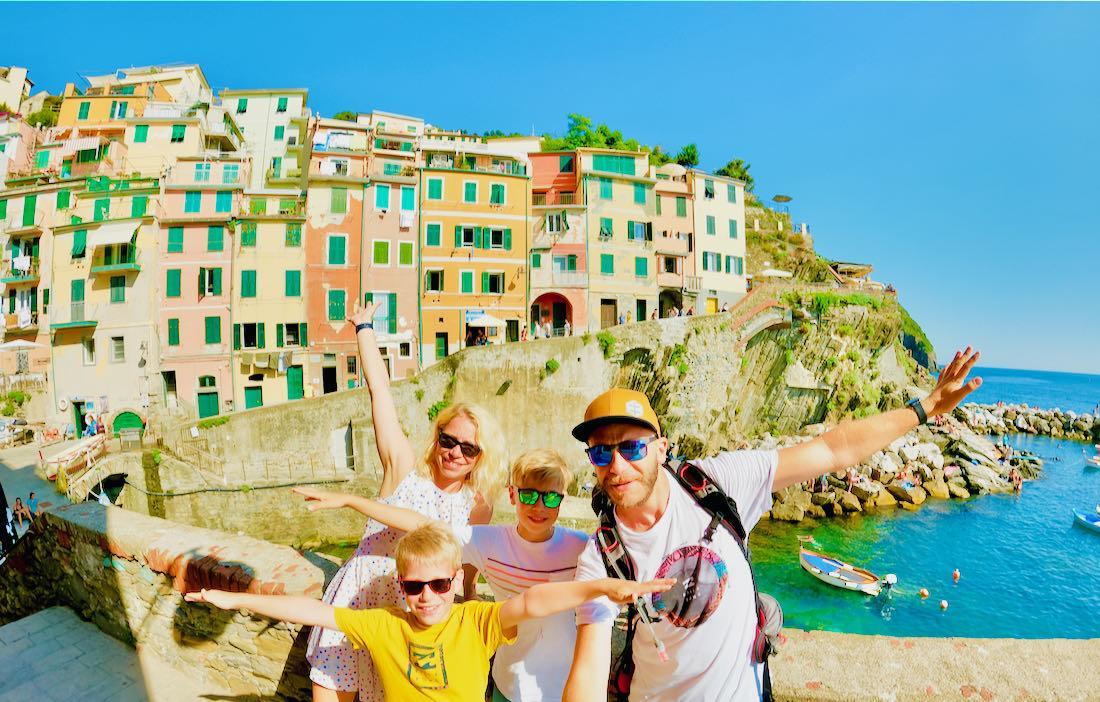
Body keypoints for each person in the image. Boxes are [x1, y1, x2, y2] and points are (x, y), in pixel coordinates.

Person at [564, 347, 983, 702]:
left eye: (632, 447)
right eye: (600, 453)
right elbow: (588, 665)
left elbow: (834, 450)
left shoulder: (714, 485)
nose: (617, 465)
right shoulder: (601, 555)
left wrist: (925, 407)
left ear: (661, 448)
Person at [186, 523, 672, 702]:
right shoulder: (382, 624)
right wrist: (233, 598)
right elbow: (309, 611)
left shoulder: (475, 622)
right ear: (400, 587)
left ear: (456, 581)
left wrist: (604, 587)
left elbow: (535, 601)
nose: (428, 596)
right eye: (415, 586)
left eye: (440, 584)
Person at [307, 302, 509, 702]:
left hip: (416, 607)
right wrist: (364, 327)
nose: (454, 453)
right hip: (362, 590)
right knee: (333, 689)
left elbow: (466, 572)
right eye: (448, 441)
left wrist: (468, 626)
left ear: (480, 456)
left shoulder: (477, 504)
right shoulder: (403, 467)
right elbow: (379, 392)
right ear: (437, 438)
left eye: (468, 448)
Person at [296, 448, 588, 702]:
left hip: (564, 682)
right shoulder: (489, 542)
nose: (539, 506)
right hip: (508, 682)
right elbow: (422, 525)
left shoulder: (580, 546)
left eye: (551, 498)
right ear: (513, 495)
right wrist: (352, 501)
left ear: (562, 499)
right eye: (529, 495)